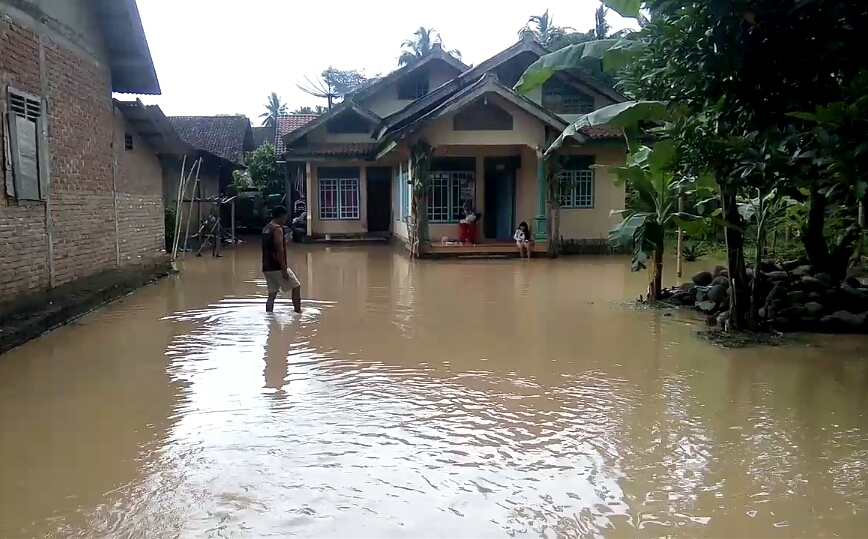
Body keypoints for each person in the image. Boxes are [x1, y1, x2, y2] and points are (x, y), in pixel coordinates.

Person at [262, 206, 302, 313]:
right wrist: (283, 267)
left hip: (266, 267)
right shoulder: (277, 229)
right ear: (281, 216)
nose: (285, 220)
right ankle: (298, 313)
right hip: (277, 266)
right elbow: (278, 248)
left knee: (272, 294)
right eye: (285, 217)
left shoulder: (266, 228)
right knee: (296, 286)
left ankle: (269, 316)